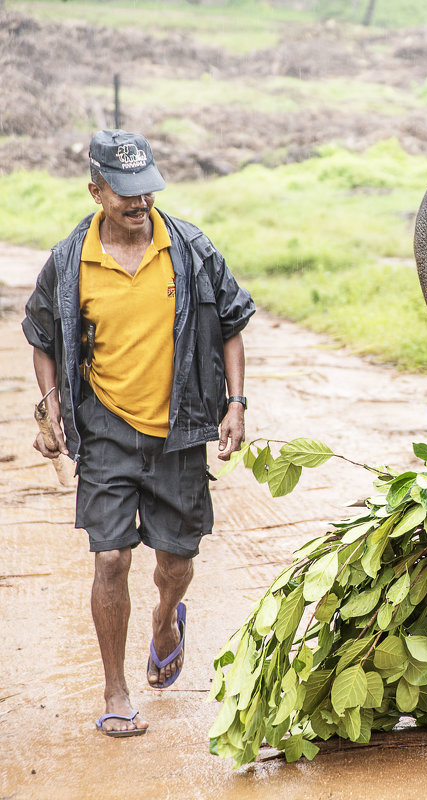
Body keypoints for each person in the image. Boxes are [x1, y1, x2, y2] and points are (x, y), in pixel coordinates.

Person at [22, 130, 255, 737]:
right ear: (96, 189)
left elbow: (232, 325)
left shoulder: (191, 251)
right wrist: (50, 408)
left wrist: (235, 404)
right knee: (110, 558)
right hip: (104, 429)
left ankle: (165, 619)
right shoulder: (72, 260)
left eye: (146, 188)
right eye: (124, 192)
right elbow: (42, 337)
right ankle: (115, 688)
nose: (138, 202)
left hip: (178, 430)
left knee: (175, 562)